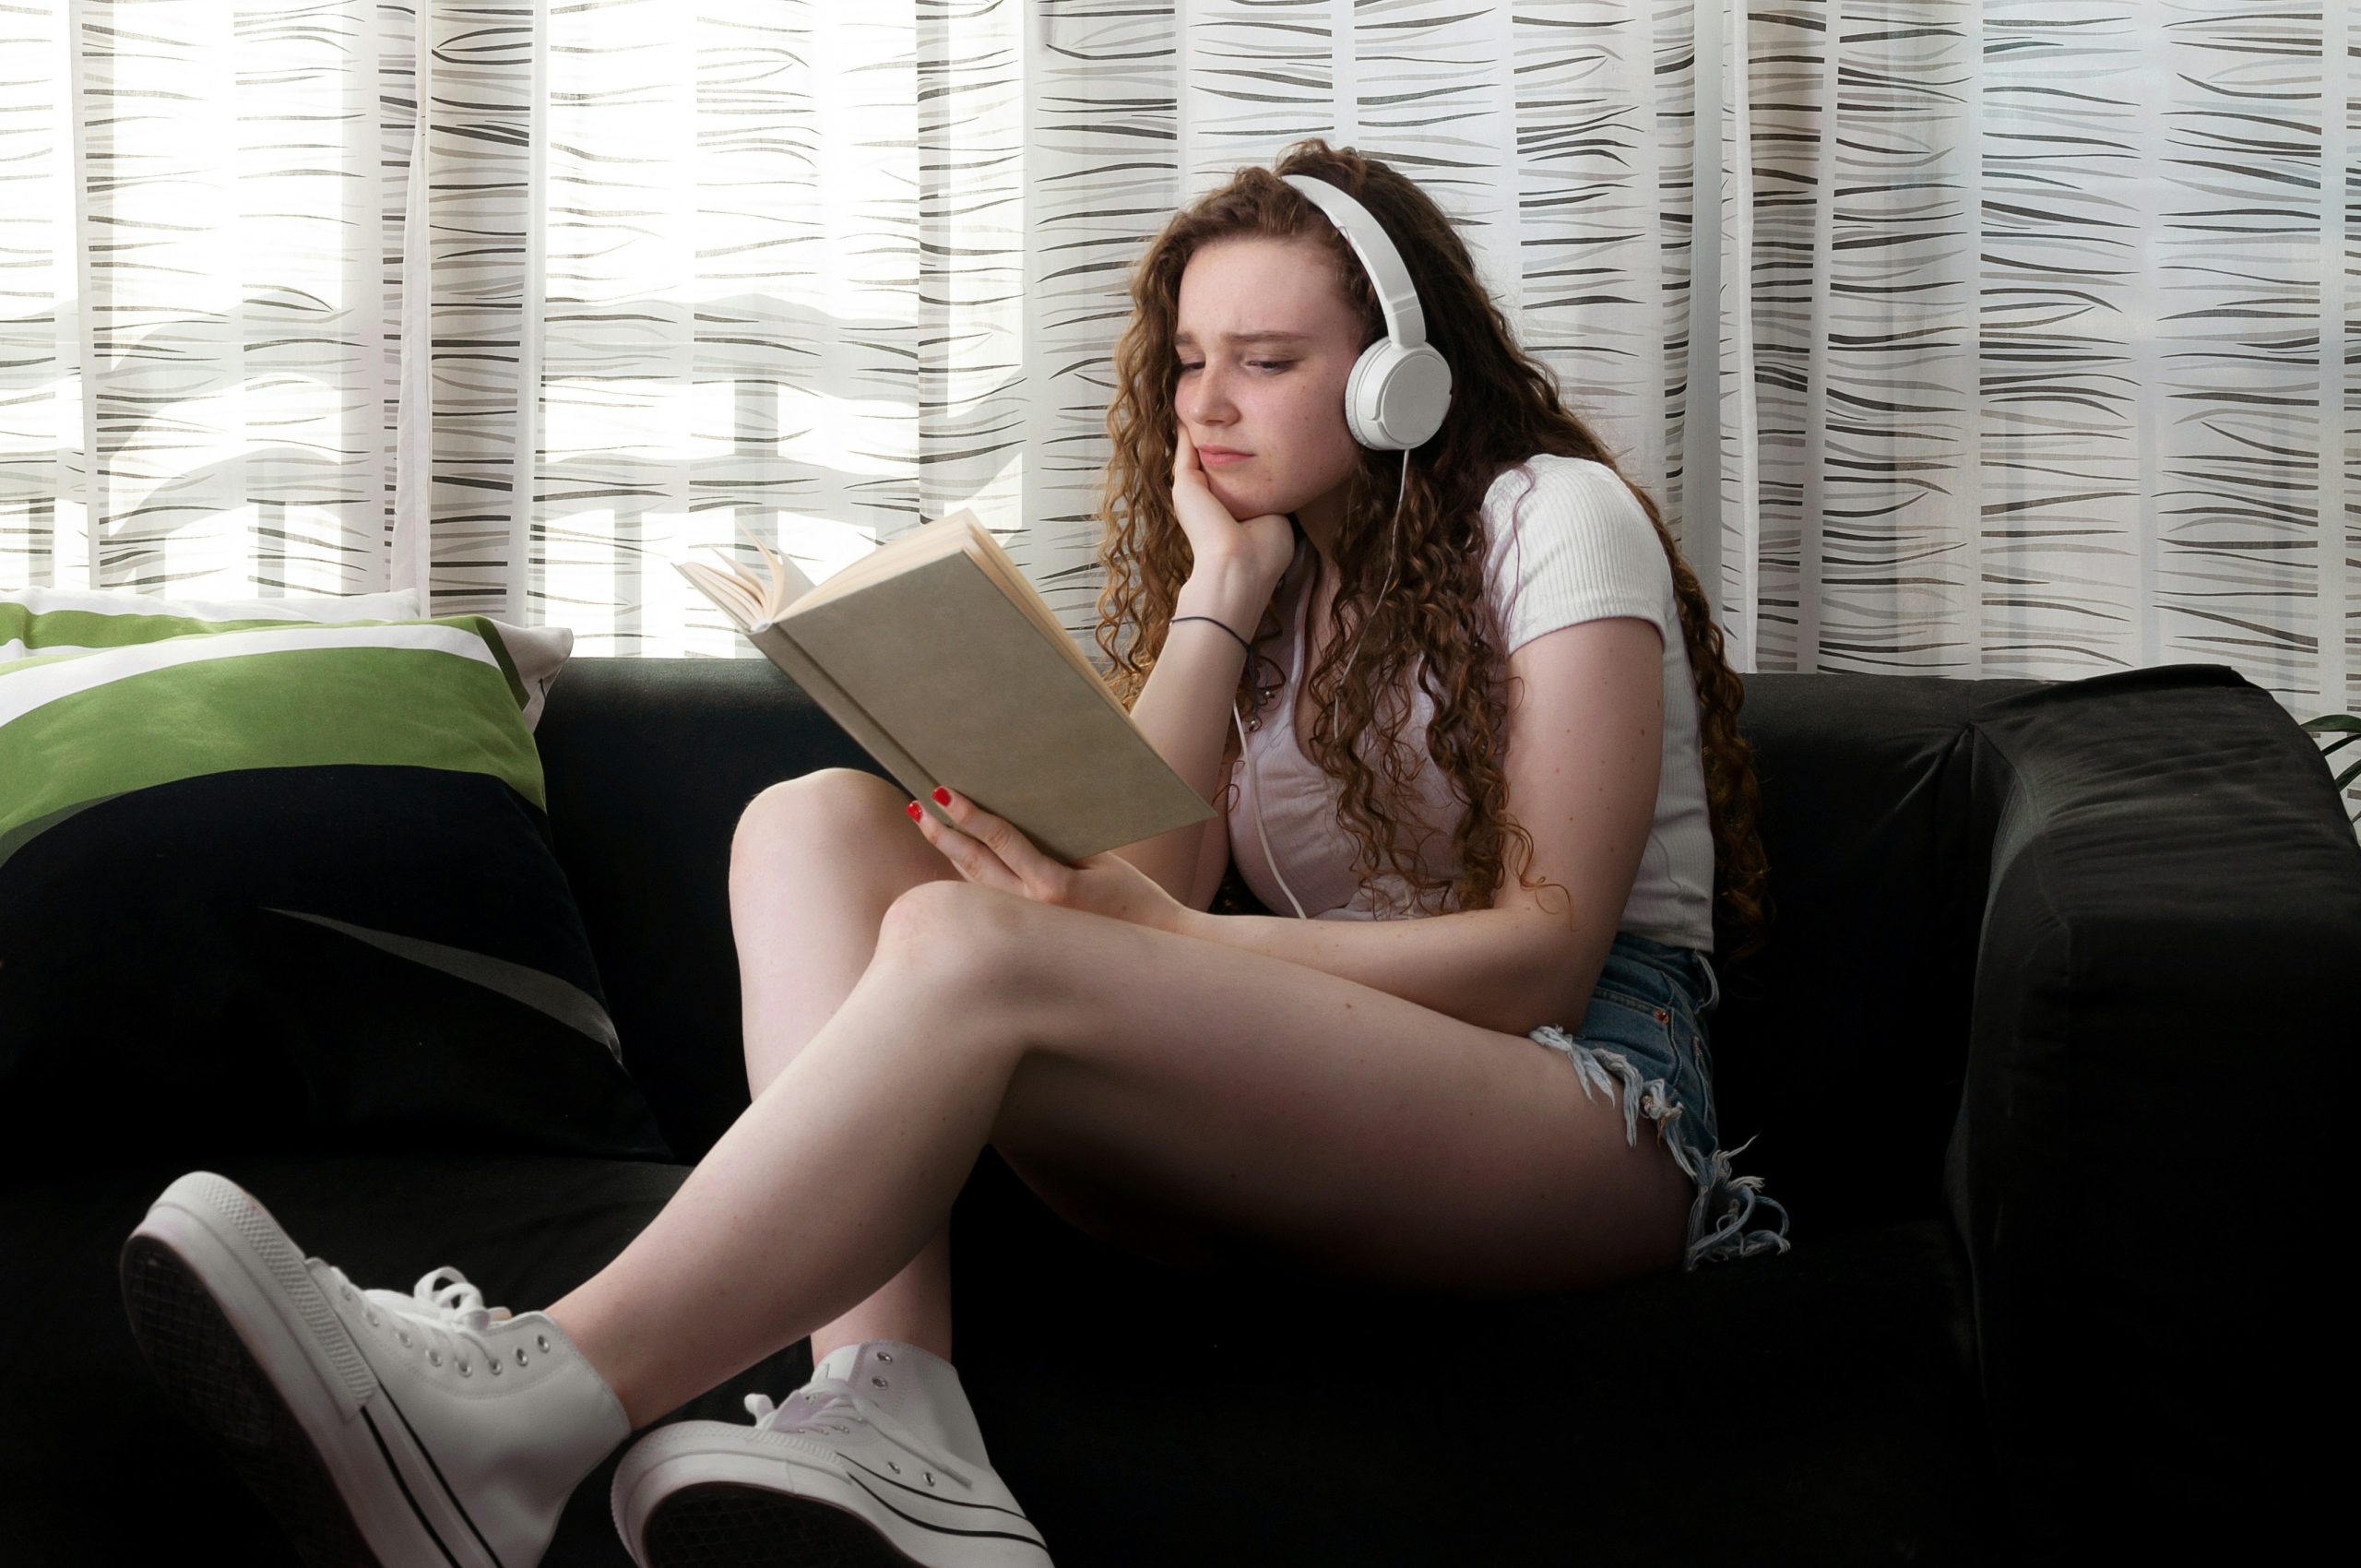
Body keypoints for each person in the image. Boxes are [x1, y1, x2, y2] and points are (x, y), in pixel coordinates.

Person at [117, 138, 1790, 1568]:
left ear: (1395, 376)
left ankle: (526, 1418)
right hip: (1304, 1122)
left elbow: (1541, 955)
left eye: (1266, 363)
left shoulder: (1548, 517)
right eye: (1187, 360)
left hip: (1584, 1110)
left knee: (977, 947)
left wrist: (1160, 941)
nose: (1205, 404)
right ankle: (892, 1423)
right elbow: (1149, 862)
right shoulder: (1275, 582)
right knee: (816, 822)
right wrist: (1224, 591)